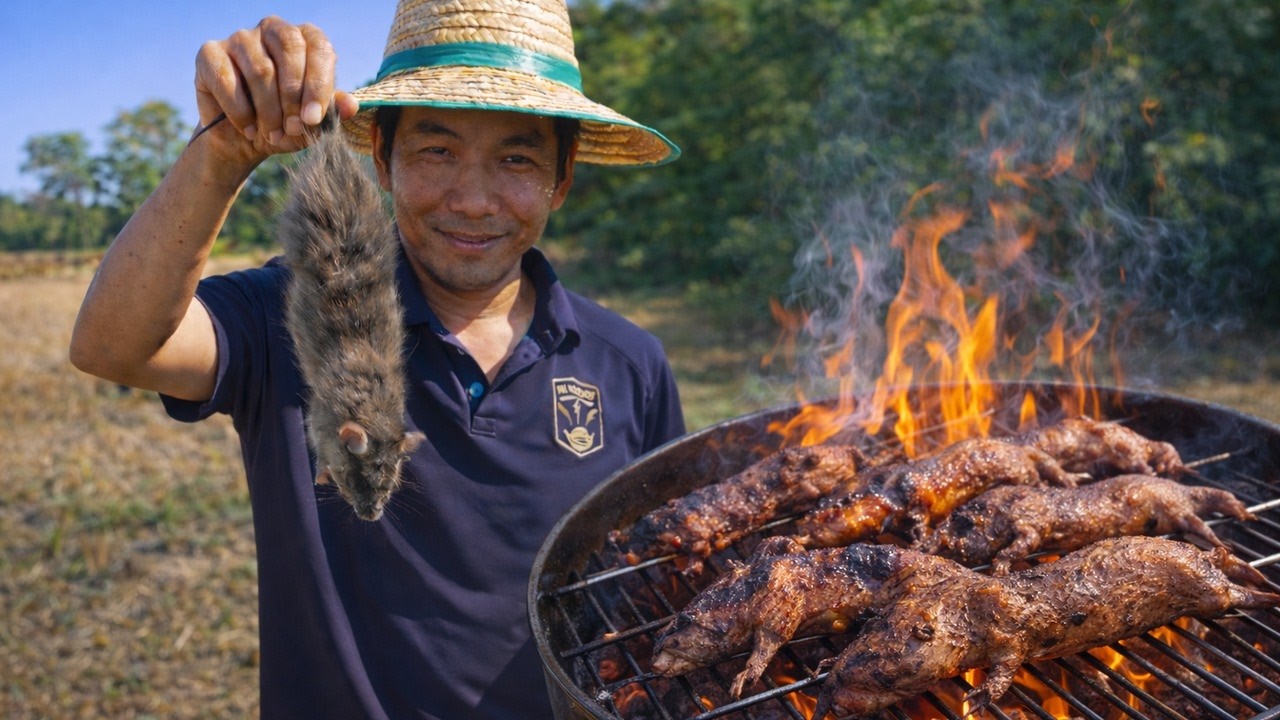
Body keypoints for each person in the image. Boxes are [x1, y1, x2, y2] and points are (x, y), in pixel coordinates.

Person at [68, 1, 685, 718]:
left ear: (563, 177)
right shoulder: (297, 312)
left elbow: (661, 577)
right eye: (436, 151)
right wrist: (221, 154)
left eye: (516, 159)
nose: (474, 200)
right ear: (383, 160)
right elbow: (114, 345)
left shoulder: (629, 365)